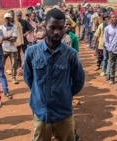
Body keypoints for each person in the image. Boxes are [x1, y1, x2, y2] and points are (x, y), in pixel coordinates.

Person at [23, 9, 85, 141]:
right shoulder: (31, 52)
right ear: (45, 26)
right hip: (41, 113)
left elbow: (78, 81)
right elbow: (29, 78)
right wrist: (40, 93)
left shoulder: (71, 54)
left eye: (60, 28)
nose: (57, 32)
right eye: (52, 27)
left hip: (63, 113)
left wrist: (65, 93)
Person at [104, 13, 117, 84]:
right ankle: (112, 78)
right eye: (112, 17)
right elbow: (106, 39)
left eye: (115, 17)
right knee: (112, 64)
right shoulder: (107, 28)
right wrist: (108, 48)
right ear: (110, 19)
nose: (114, 19)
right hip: (112, 49)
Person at [0, 13, 19, 84]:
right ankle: (0, 77)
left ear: (11, 19)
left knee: (14, 64)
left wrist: (4, 38)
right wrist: (8, 37)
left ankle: (13, 78)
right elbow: (0, 38)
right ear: (4, 19)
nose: (7, 19)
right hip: (3, 49)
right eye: (6, 18)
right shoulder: (1, 27)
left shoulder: (14, 27)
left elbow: (14, 39)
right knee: (1, 64)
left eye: (8, 18)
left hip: (13, 49)